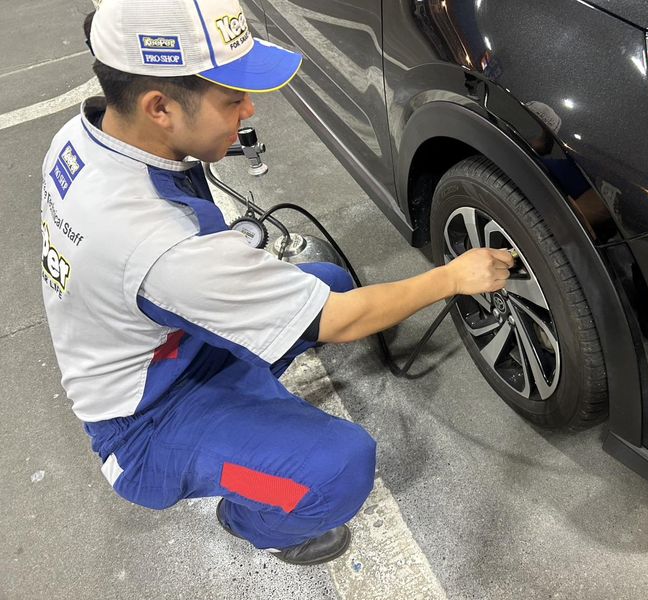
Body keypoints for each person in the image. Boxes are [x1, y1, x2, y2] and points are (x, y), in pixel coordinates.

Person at [41, 0, 513, 566]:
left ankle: (250, 420)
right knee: (339, 468)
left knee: (330, 282)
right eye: (231, 98)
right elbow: (340, 322)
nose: (249, 108)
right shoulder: (161, 245)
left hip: (167, 344)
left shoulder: (86, 135)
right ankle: (257, 520)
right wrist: (453, 277)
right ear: (159, 107)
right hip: (145, 423)